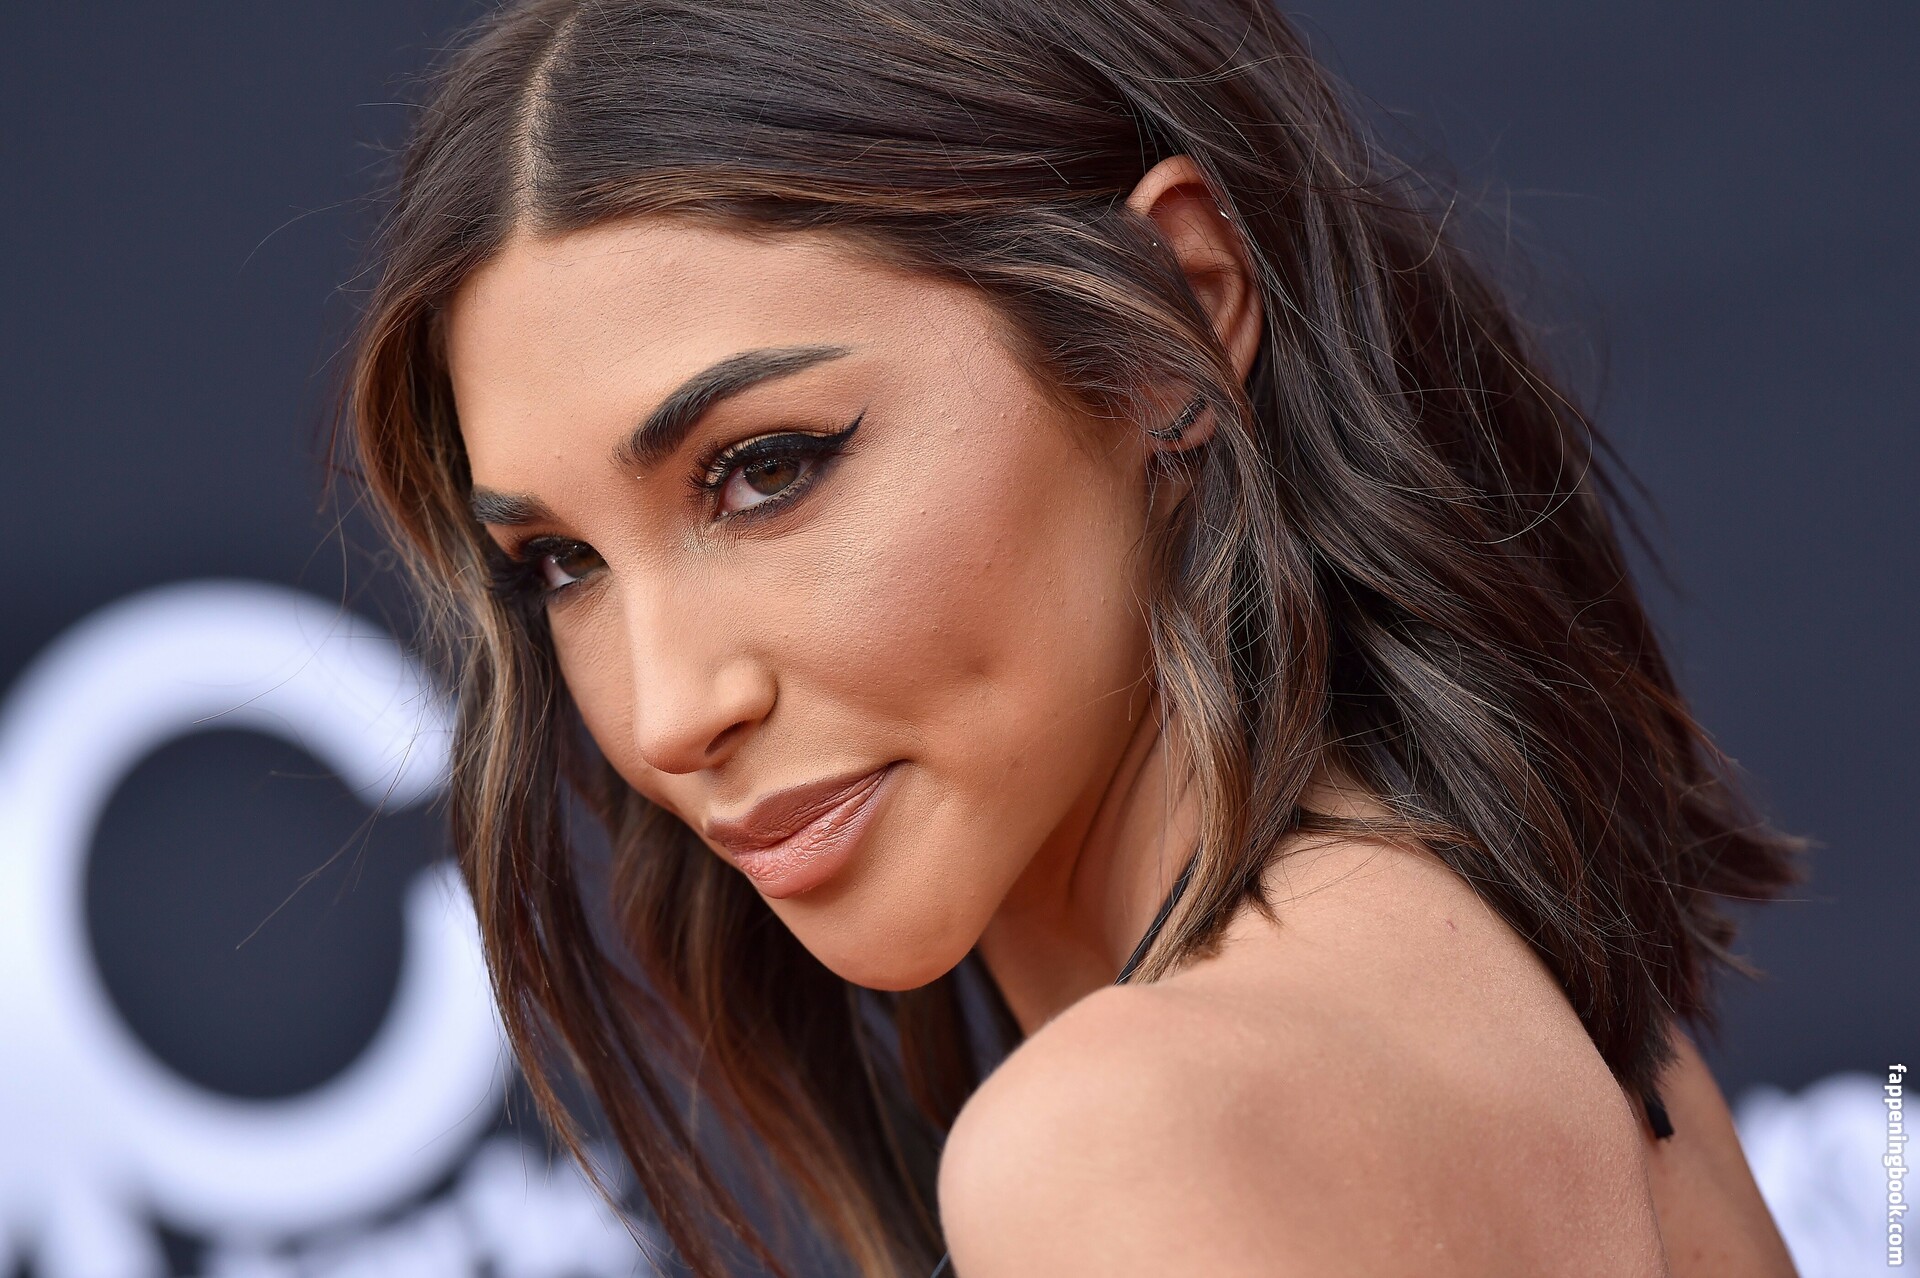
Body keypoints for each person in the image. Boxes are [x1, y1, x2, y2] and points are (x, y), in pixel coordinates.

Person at [342, 1, 1805, 1273]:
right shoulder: (1578, 1039)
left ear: (1173, 318)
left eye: (767, 469)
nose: (667, 711)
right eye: (561, 564)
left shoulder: (1130, 1137)